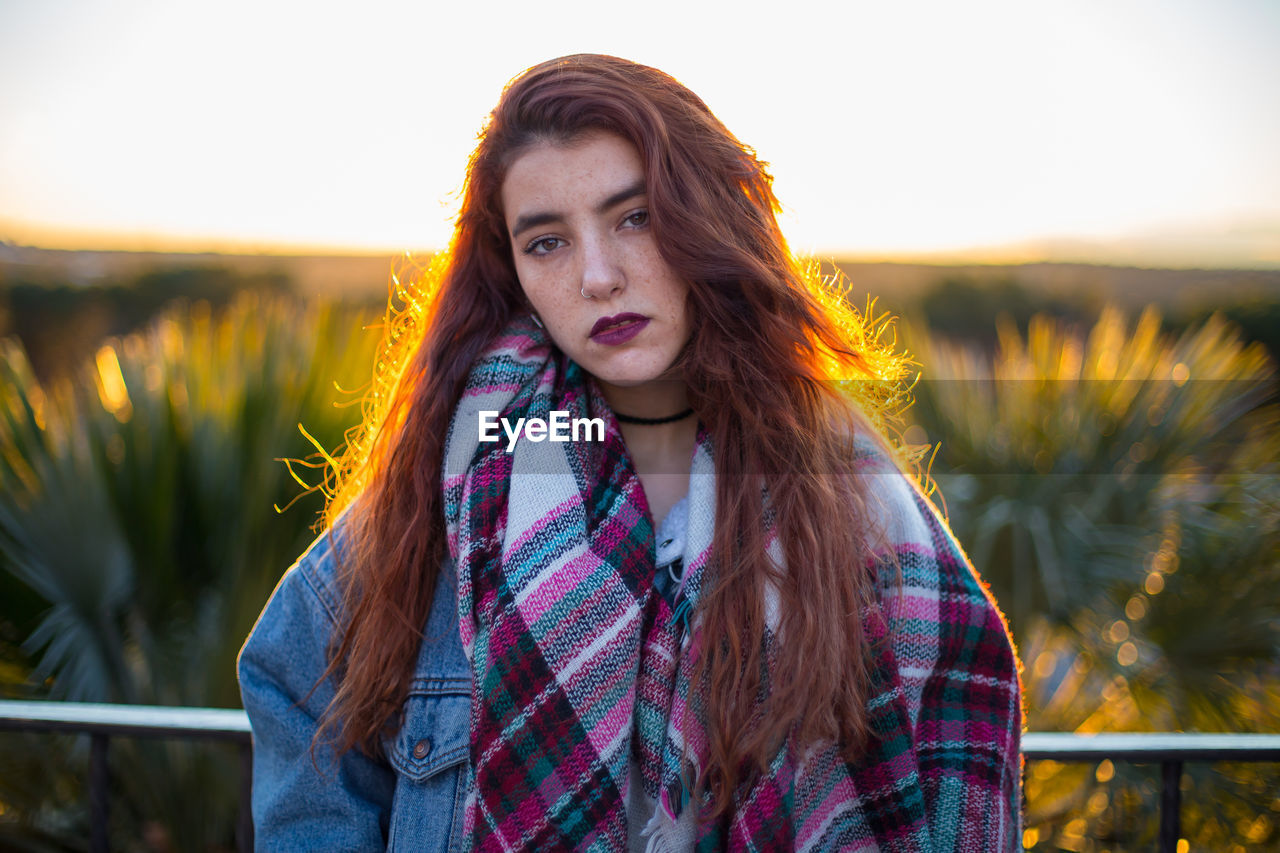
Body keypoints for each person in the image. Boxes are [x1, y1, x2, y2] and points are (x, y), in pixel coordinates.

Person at [238, 54, 1023, 852]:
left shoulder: (845, 492)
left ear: (706, 218)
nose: (599, 276)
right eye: (546, 242)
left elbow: (962, 730)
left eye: (635, 217)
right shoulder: (454, 492)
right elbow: (292, 681)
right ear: (509, 268)